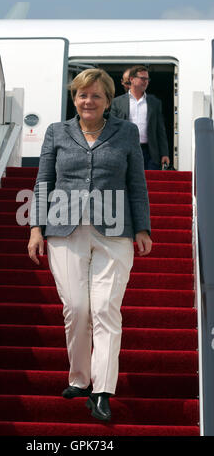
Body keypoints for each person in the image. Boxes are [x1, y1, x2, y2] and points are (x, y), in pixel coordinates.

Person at [28, 68, 152, 422]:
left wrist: (143, 228)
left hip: (115, 231)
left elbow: (136, 183)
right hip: (64, 228)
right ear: (74, 97)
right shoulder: (57, 132)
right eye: (83, 94)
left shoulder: (125, 132)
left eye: (96, 95)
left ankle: (101, 391)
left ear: (108, 100)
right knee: (78, 308)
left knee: (105, 310)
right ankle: (79, 379)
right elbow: (44, 181)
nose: (88, 101)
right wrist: (36, 228)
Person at [111, 65, 170, 170]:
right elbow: (112, 128)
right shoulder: (118, 102)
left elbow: (160, 130)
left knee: (150, 184)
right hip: (126, 149)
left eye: (147, 79)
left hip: (150, 152)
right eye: (142, 78)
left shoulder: (154, 102)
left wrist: (164, 153)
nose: (145, 81)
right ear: (132, 79)